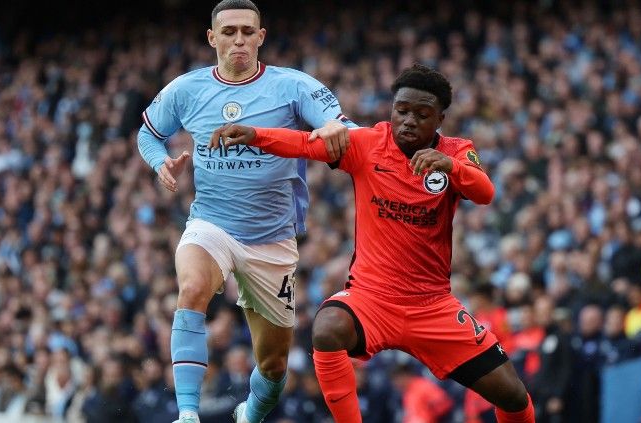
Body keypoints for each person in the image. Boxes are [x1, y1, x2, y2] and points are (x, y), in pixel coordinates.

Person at [210, 63, 535, 423]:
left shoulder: (457, 152)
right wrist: (255, 134)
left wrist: (451, 167)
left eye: (422, 114)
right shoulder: (366, 144)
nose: (409, 121)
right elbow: (305, 143)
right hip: (371, 299)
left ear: (440, 118)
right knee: (327, 328)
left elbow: (485, 192)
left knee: (513, 396)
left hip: (432, 306)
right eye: (402, 111)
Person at [136, 0, 355, 422]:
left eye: (247, 31)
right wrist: (158, 162)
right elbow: (148, 134)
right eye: (230, 31)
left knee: (273, 367)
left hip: (272, 239)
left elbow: (339, 123)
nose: (239, 39)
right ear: (212, 38)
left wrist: (335, 126)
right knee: (192, 288)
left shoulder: (292, 86)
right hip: (211, 223)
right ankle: (187, 414)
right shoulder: (186, 89)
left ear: (261, 37)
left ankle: (248, 415)